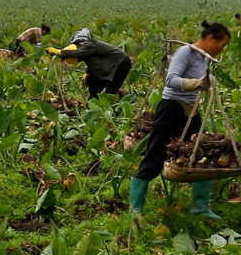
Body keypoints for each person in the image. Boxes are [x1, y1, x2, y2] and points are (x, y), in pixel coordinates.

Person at [129, 21, 231, 220]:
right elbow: (170, 79)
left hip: (190, 111)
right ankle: (135, 210)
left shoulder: (204, 59)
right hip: (171, 108)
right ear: (211, 38)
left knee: (204, 151)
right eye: (222, 44)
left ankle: (200, 207)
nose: (222, 49)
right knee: (155, 156)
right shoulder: (186, 52)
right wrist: (194, 83)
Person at [47, 28, 132, 100]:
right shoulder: (86, 48)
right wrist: (88, 73)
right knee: (93, 82)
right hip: (108, 65)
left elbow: (78, 53)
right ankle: (94, 102)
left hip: (121, 63)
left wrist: (59, 52)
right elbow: (93, 62)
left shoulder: (90, 44)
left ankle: (122, 102)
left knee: (111, 90)